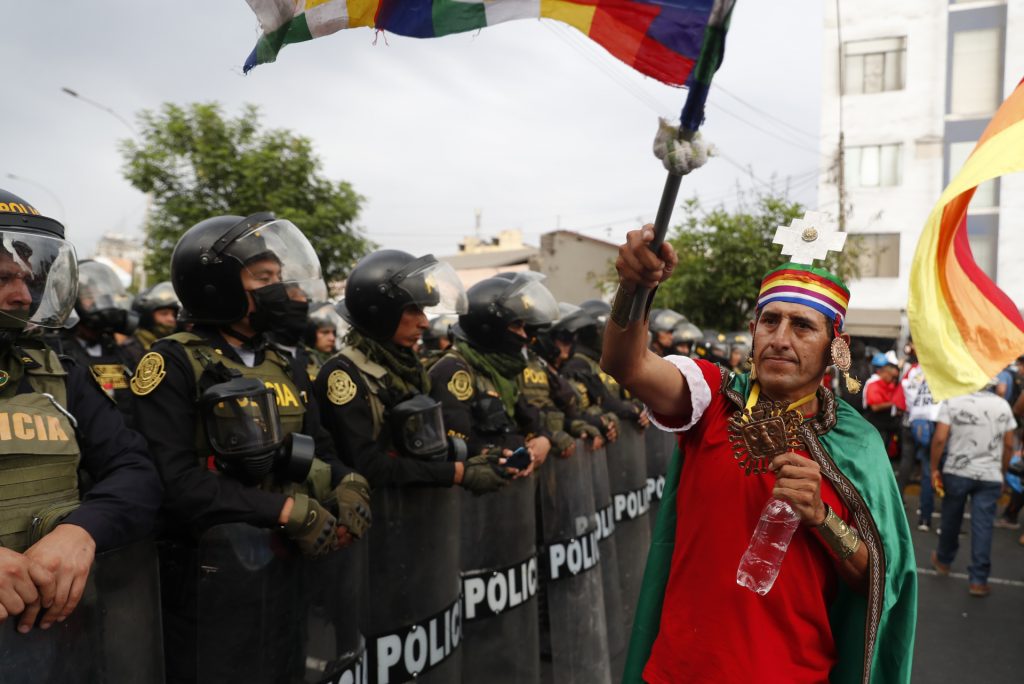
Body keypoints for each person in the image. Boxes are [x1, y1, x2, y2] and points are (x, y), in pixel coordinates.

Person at [604, 225, 916, 683]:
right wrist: (635, 287)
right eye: (770, 321)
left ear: (837, 348)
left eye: (803, 325)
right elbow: (626, 364)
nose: (781, 338)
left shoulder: (859, 444)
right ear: (753, 332)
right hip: (679, 672)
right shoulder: (712, 398)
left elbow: (877, 579)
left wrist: (822, 518)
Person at [130, 212, 371, 682]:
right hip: (208, 580)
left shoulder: (283, 361)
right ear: (216, 285)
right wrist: (283, 511)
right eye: (263, 279)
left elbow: (319, 446)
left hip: (288, 570)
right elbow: (175, 482)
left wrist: (350, 483)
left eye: (279, 278)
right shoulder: (172, 362)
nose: (280, 290)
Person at [0, 189, 161, 634]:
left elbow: (135, 470)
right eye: (2, 279)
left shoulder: (56, 374)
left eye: (28, 280)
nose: (22, 297)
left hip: (51, 637)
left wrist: (83, 530)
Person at [316, 249, 506, 492]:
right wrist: (455, 473)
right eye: (414, 310)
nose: (424, 322)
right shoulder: (343, 374)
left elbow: (423, 443)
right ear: (380, 312)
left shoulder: (406, 368)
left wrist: (481, 453)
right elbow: (368, 466)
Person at [930, 382, 1017, 597]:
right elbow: (1008, 445)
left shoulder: (953, 401)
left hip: (957, 472)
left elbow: (940, 438)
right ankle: (978, 580)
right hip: (989, 475)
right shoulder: (1003, 405)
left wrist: (933, 469)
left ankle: (943, 560)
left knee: (951, 518)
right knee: (983, 526)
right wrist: (1002, 472)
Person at [61, 260, 140, 422]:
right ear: (71, 301)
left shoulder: (119, 352)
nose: (100, 303)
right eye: (89, 296)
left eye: (103, 296)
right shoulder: (57, 352)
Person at [892, 342, 941, 530]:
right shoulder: (941, 372)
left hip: (910, 423)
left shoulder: (913, 370)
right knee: (929, 467)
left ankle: (896, 502)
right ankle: (925, 516)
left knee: (906, 462)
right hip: (932, 425)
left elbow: (901, 397)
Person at [122, 281, 181, 365]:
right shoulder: (128, 351)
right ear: (147, 316)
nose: (171, 319)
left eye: (174, 315)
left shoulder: (175, 347)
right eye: (164, 313)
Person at [863, 353, 901, 458]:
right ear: (884, 372)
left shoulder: (889, 384)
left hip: (887, 425)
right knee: (877, 453)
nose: (893, 380)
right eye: (892, 377)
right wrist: (894, 403)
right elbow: (875, 407)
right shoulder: (873, 384)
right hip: (876, 426)